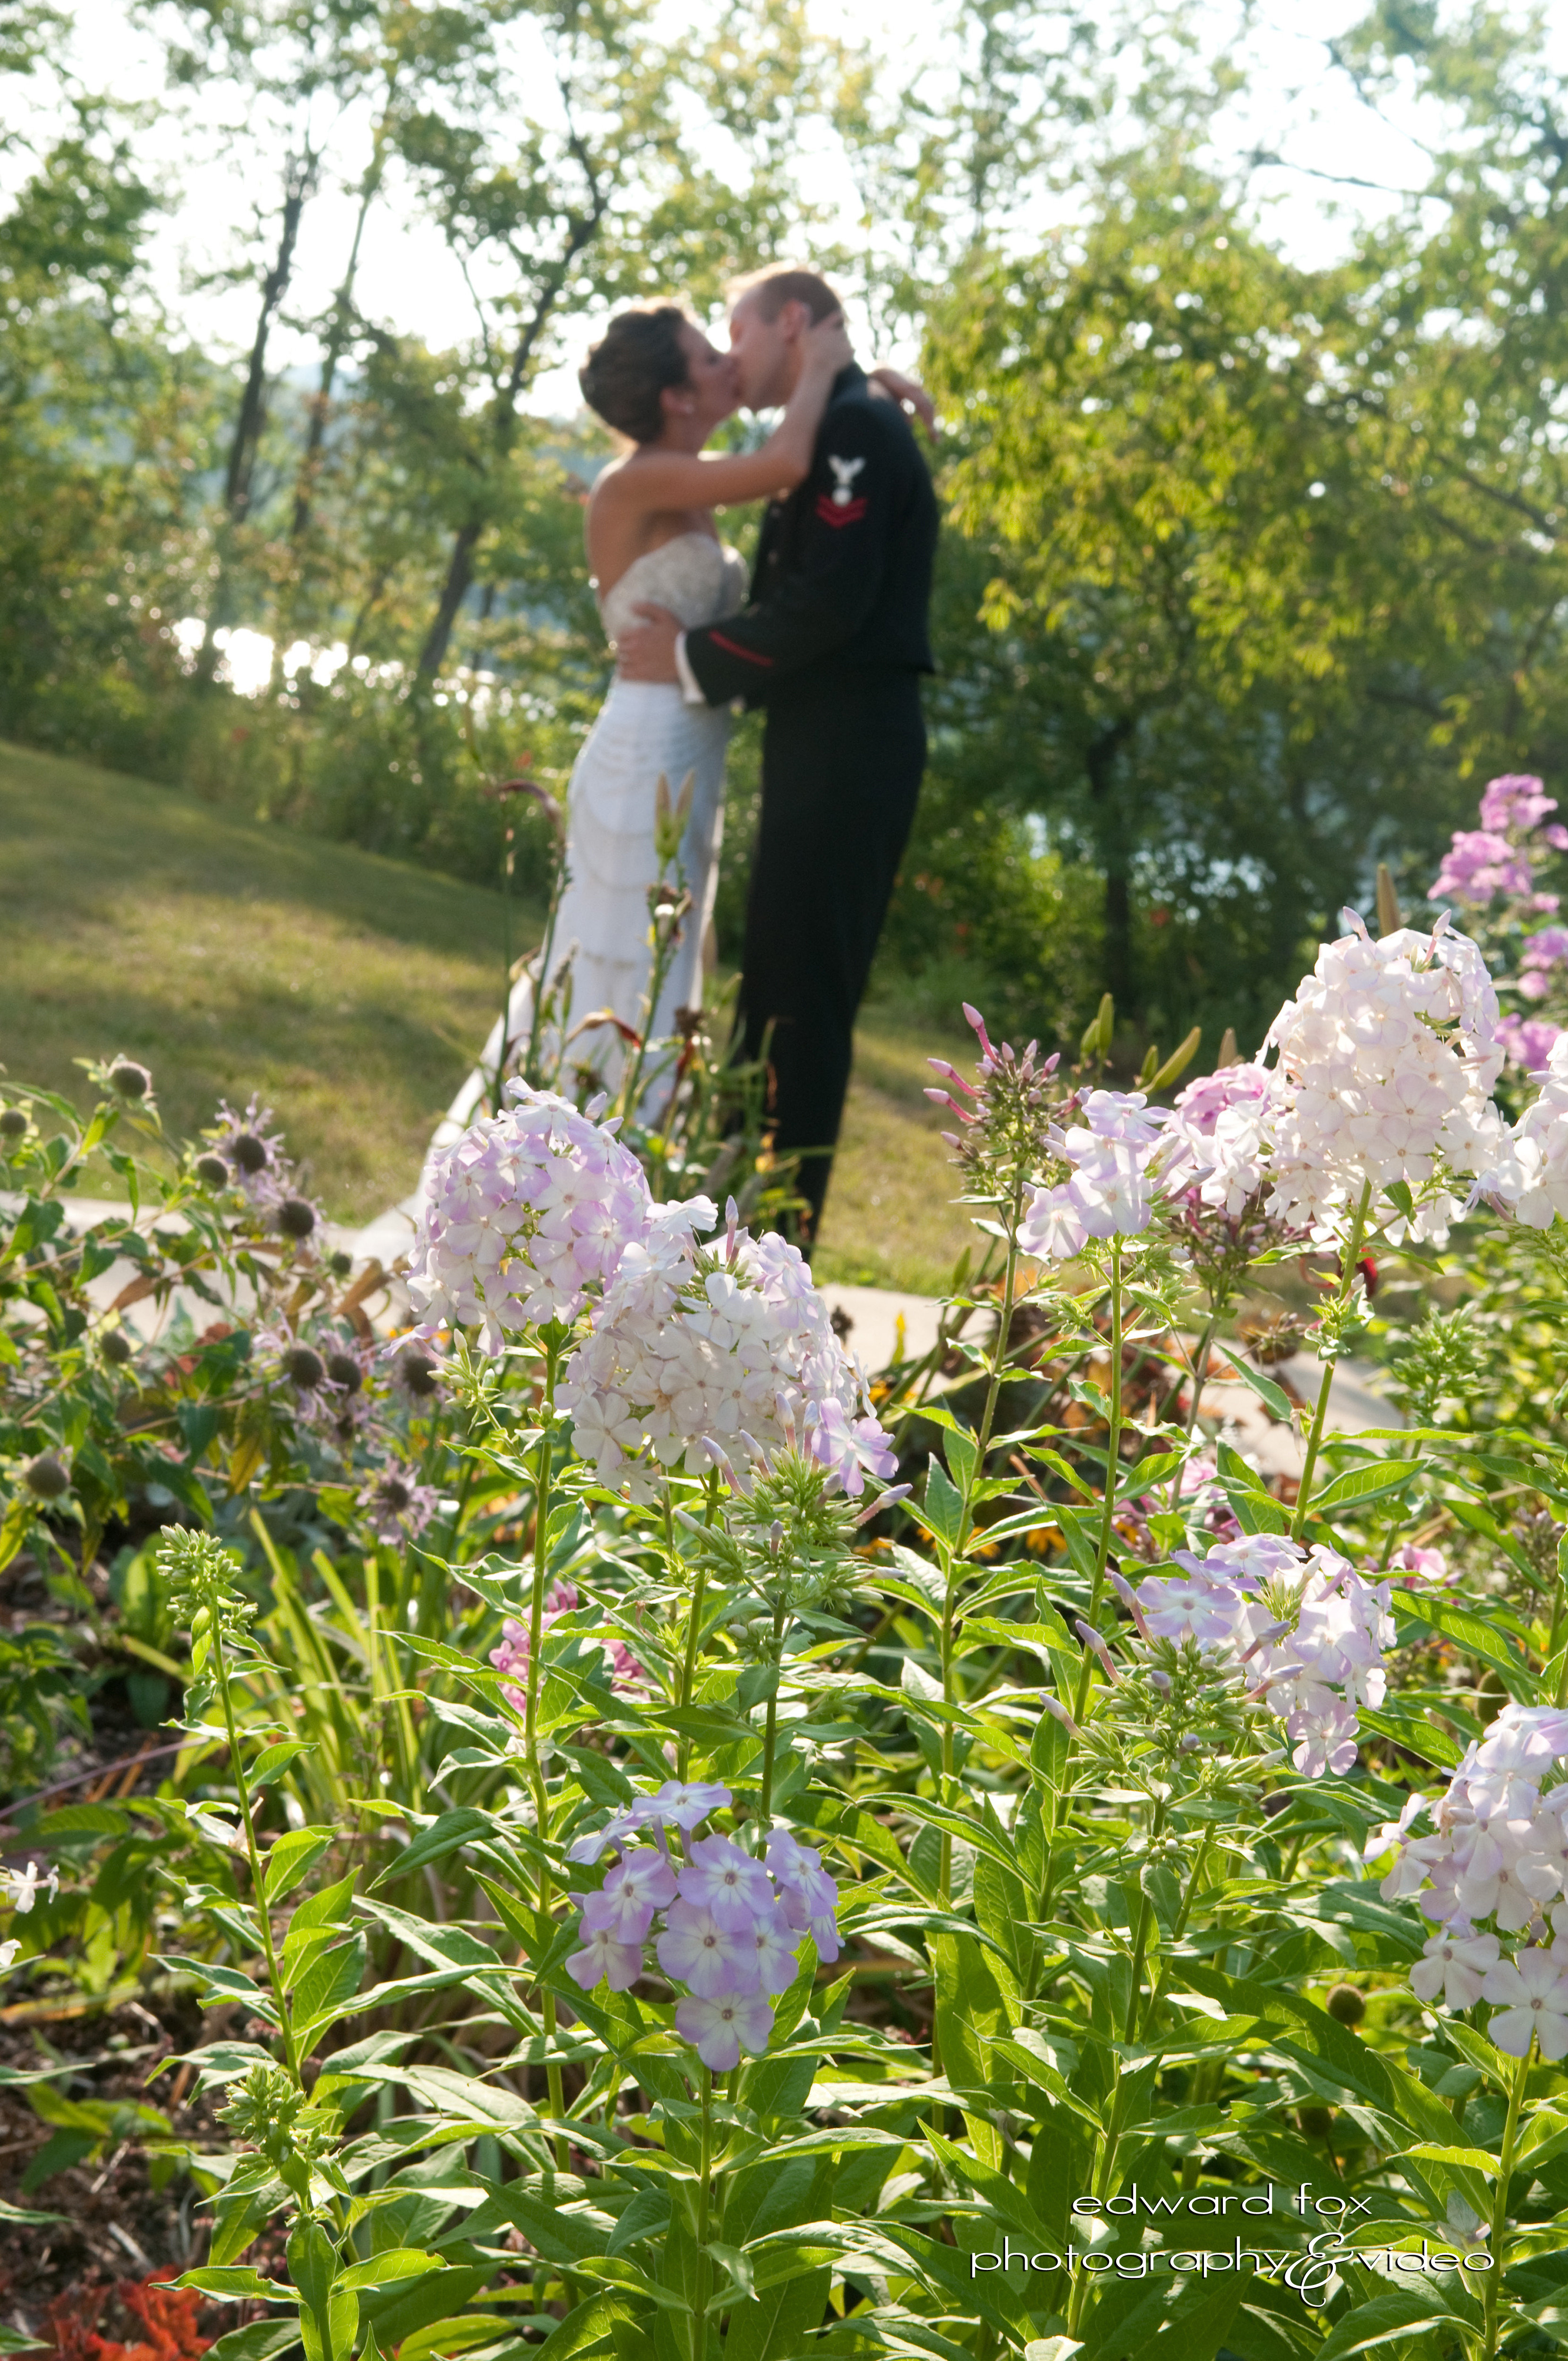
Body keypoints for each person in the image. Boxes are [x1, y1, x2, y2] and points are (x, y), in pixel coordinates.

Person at [617, 266, 939, 1244]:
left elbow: (830, 604)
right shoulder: (839, 418)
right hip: (826, 742)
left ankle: (773, 1248)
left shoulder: (852, 429)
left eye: (737, 330)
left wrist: (688, 656)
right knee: (774, 993)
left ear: (790, 321)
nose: (731, 353)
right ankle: (729, 1233)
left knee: (802, 1003)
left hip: (852, 745)